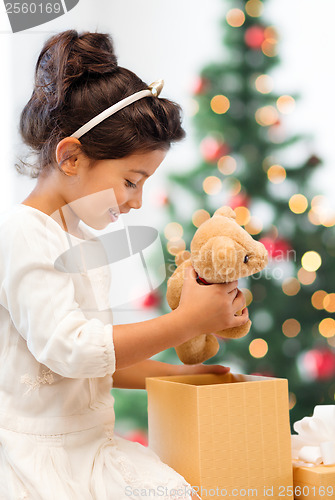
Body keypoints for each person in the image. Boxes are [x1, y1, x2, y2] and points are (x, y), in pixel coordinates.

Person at [0, 30, 249, 500]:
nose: (136, 201)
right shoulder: (24, 233)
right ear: (71, 156)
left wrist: (175, 374)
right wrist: (187, 321)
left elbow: (95, 366)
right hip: (41, 461)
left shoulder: (82, 243)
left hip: (92, 450)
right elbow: (72, 349)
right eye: (132, 181)